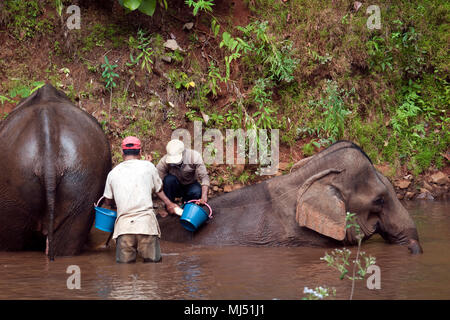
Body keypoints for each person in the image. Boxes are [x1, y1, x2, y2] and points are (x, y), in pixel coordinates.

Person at [102, 136, 176, 263]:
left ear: (122, 153)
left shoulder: (113, 173)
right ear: (140, 152)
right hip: (146, 226)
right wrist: (169, 203)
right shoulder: (149, 167)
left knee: (124, 274)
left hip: (124, 229)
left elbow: (108, 200)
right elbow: (159, 189)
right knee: (153, 270)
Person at [156, 139, 210, 209]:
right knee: (168, 180)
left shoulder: (194, 156)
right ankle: (169, 207)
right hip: (175, 186)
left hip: (191, 185)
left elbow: (204, 177)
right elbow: (156, 183)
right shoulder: (164, 162)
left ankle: (186, 204)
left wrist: (204, 196)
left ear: (183, 153)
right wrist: (168, 203)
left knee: (196, 192)